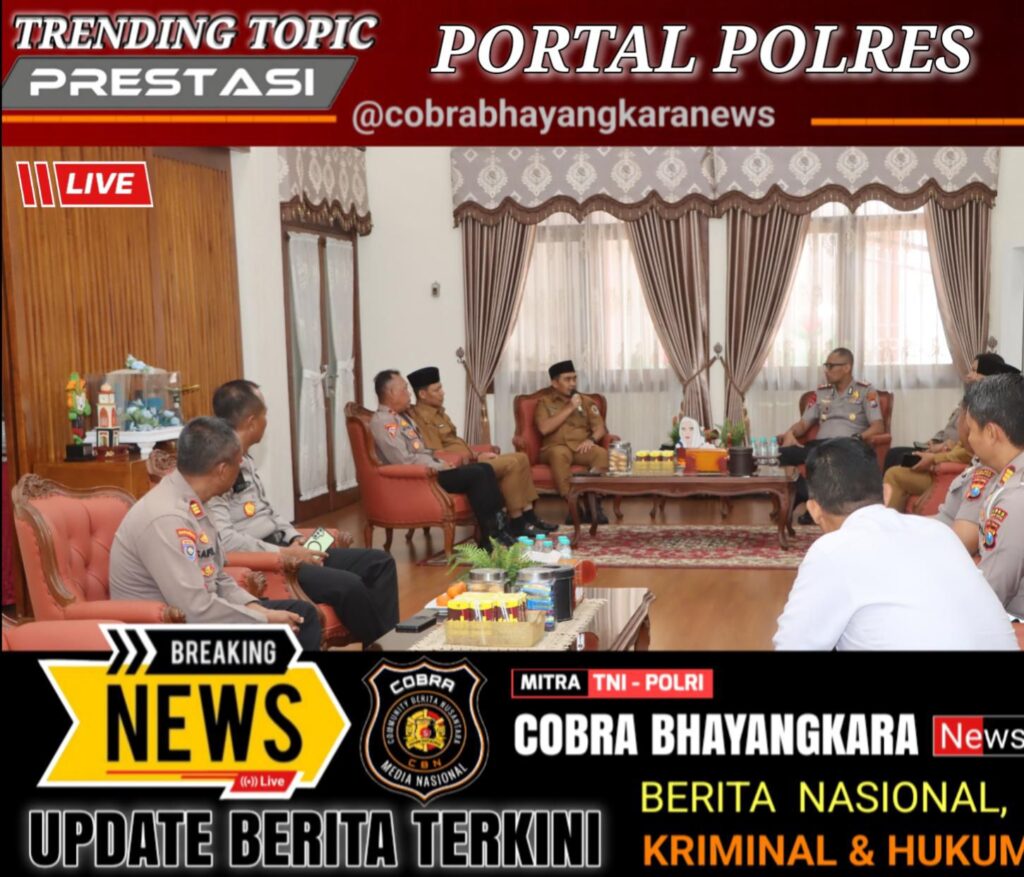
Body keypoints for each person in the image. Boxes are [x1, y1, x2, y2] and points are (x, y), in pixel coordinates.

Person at [773, 438, 1016, 651]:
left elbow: (792, 645)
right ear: (886, 493)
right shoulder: (940, 532)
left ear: (814, 510)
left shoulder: (831, 551)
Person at [208, 380, 399, 644]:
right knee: (350, 585)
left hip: (285, 547)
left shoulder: (245, 458)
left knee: (380, 563)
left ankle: (384, 644)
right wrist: (286, 553)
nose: (266, 421)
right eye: (264, 414)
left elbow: (268, 512)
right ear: (251, 421)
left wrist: (294, 538)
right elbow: (226, 540)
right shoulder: (218, 466)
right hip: (267, 560)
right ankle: (385, 648)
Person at [110, 417, 322, 650]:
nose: (241, 468)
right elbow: (194, 609)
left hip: (203, 612)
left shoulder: (196, 500)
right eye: (238, 463)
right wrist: (263, 620)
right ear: (222, 470)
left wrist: (253, 608)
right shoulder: (167, 518)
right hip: (169, 632)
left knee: (303, 615)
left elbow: (216, 576)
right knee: (291, 631)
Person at [406, 366, 557, 538]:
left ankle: (529, 516)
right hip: (458, 468)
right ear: (422, 394)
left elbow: (455, 444)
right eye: (437, 389)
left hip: (471, 460)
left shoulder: (439, 414)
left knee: (521, 457)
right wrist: (474, 459)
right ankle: (517, 521)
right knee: (512, 463)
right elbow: (438, 454)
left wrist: (477, 455)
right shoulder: (422, 419)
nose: (443, 392)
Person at [370, 369, 515, 547]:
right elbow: (404, 461)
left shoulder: (401, 417)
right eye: (405, 389)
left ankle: (500, 531)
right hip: (419, 479)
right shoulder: (385, 422)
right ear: (391, 393)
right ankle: (491, 539)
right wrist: (438, 466)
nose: (409, 394)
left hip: (430, 470)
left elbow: (421, 450)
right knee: (477, 474)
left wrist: (442, 461)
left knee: (485, 468)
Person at [780, 347, 883, 524]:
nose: (826, 371)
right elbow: (803, 424)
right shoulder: (821, 392)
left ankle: (813, 503)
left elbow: (878, 426)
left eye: (831, 366)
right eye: (826, 366)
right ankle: (808, 496)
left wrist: (858, 438)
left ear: (847, 367)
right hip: (819, 446)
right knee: (782, 454)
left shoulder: (866, 391)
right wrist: (791, 432)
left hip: (848, 446)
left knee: (825, 460)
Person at [883, 352, 1019, 472]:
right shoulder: (968, 401)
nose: (969, 375)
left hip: (949, 455)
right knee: (893, 454)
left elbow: (966, 448)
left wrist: (939, 452)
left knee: (899, 461)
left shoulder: (986, 411)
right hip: (945, 450)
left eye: (974, 371)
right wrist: (934, 441)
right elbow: (951, 431)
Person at [961, 373, 1024, 618]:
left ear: (991, 433)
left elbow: (988, 597)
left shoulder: (1013, 500)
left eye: (971, 429)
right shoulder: (1007, 475)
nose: (968, 439)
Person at [535, 360, 610, 523]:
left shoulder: (586, 401)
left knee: (601, 454)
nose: (573, 383)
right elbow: (544, 429)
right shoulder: (544, 403)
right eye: (567, 379)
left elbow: (600, 428)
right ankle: (573, 505)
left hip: (580, 447)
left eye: (574, 378)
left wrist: (591, 439)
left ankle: (594, 506)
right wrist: (569, 407)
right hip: (554, 447)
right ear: (555, 383)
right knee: (559, 454)